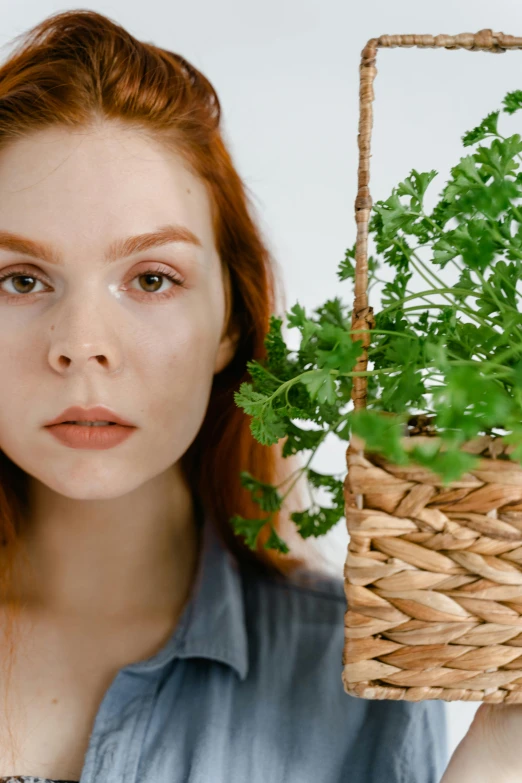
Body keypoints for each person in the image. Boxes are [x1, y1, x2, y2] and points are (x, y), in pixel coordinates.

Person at [0, 7, 508, 783]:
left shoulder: (353, 667)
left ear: (232, 322)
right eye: (22, 280)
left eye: (151, 278)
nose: (81, 341)